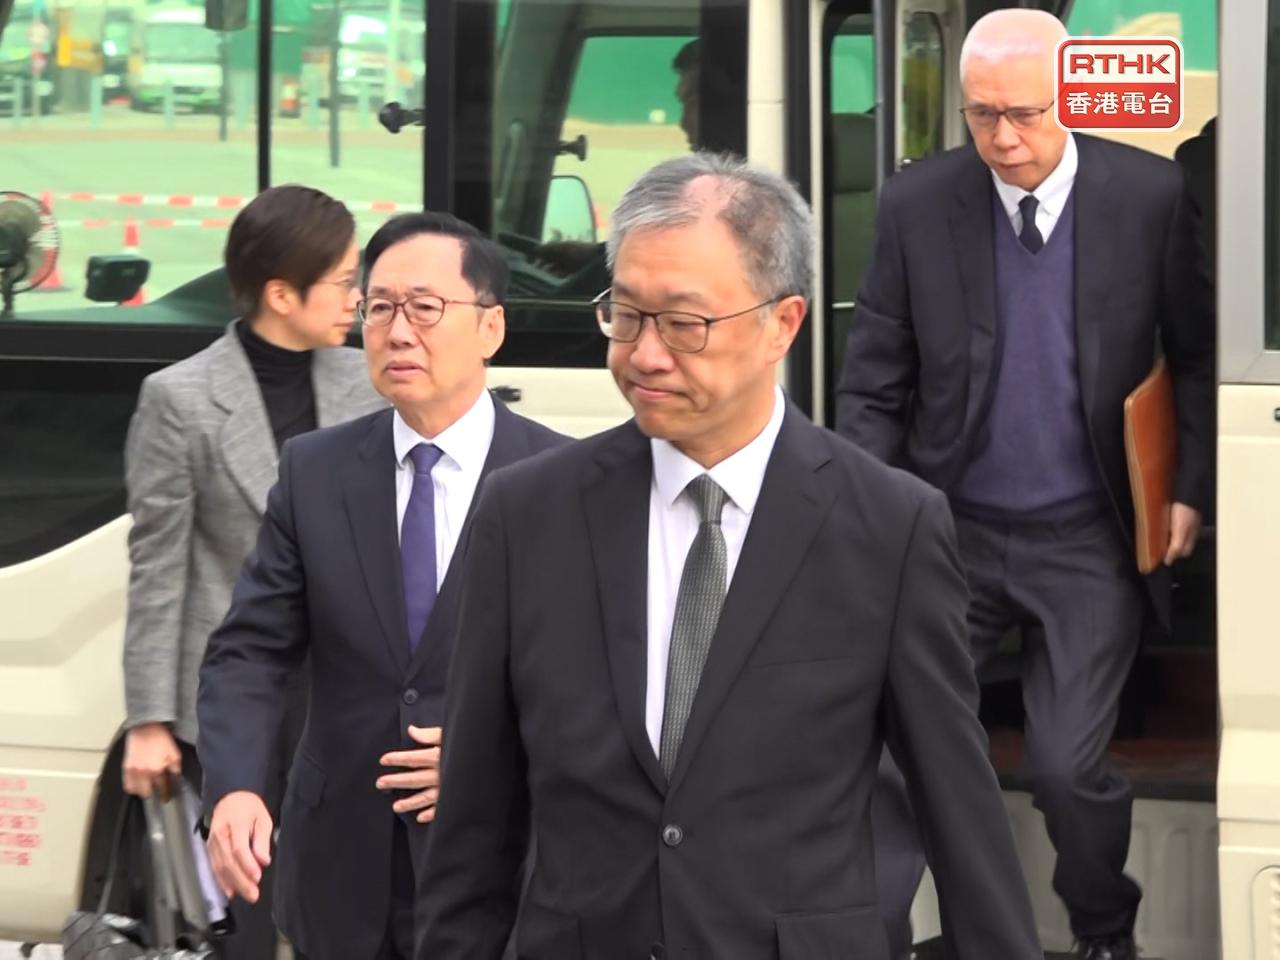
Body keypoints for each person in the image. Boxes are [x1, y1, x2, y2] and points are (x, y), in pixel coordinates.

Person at [416, 153, 1042, 959]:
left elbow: (960, 815)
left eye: (684, 323)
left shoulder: (891, 527)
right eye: (627, 314)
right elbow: (476, 821)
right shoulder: (526, 514)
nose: (644, 354)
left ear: (783, 322)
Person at [835, 10, 1214, 960]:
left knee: (1064, 763)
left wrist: (1189, 492)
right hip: (948, 528)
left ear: (1072, 99)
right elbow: (875, 376)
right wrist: (869, 512)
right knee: (889, 741)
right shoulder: (917, 204)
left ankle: (1102, 935)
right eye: (981, 116)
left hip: (1088, 532)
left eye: (1027, 114)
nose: (1005, 139)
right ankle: (887, 936)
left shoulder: (1150, 195)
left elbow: (1199, 357)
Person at [196, 212, 567, 960]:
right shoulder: (315, 472)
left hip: (506, 867)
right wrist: (234, 786)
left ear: (490, 328)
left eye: (425, 309)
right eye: (380, 307)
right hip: (342, 867)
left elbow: (600, 682)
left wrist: (489, 757)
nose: (399, 332)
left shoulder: (561, 483)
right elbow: (250, 652)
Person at [120, 184, 385, 958]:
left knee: (349, 905)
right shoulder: (180, 399)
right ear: (281, 293)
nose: (358, 297)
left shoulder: (365, 383)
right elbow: (159, 567)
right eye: (342, 281)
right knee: (245, 917)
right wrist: (148, 721)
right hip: (240, 701)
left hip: (347, 692)